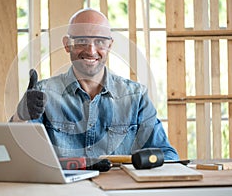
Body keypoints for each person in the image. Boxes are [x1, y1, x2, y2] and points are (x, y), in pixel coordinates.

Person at [11, 8, 179, 160]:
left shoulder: (136, 97)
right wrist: (20, 117)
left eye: (99, 41)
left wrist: (140, 163)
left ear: (109, 45)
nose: (91, 50)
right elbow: (17, 154)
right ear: (67, 44)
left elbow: (168, 155)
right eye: (82, 40)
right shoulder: (43, 93)